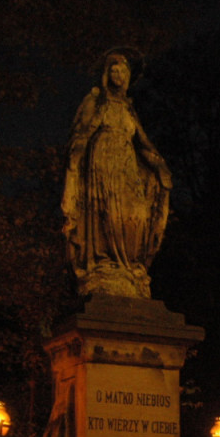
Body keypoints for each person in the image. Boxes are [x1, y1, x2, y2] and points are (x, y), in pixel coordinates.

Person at [61, 48, 172, 299]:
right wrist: (74, 164)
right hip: (102, 163)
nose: (118, 74)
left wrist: (160, 168)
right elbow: (80, 135)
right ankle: (104, 262)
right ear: (106, 73)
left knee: (137, 215)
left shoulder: (129, 108)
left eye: (123, 70)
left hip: (127, 165)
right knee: (107, 213)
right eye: (113, 69)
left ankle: (130, 266)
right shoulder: (95, 101)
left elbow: (143, 143)